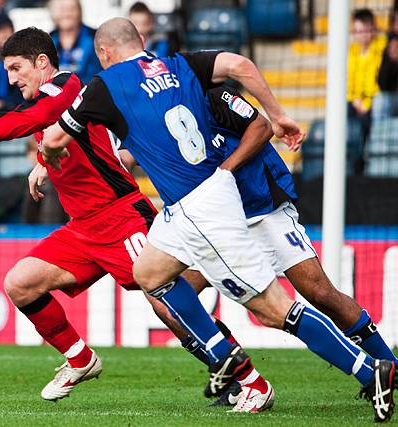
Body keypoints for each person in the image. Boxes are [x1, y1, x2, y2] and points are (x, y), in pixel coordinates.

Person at [42, 18, 396, 421]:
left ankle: (373, 369)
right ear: (142, 42)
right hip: (189, 207)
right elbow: (238, 66)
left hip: (229, 203)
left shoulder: (115, 86)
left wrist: (47, 159)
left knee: (279, 306)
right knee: (150, 274)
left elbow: (55, 139)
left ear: (103, 54)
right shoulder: (183, 68)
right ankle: (230, 362)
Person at [0, 27, 268, 407]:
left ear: (42, 62)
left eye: (16, 68)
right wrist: (43, 164)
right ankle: (80, 359)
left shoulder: (66, 86)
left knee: (168, 303)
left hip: (122, 215)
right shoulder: (51, 97)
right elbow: (61, 136)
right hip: (82, 228)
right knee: (20, 283)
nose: (11, 79)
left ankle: (246, 379)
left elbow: (32, 118)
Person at [123, 83, 398, 407]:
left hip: (261, 210)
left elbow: (258, 127)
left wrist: (226, 170)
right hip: (214, 222)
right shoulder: (160, 112)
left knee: (319, 293)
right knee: (167, 299)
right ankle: (241, 381)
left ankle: (387, 366)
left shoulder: (214, 97)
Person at [347, 9, 386, 138]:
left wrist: (366, 104)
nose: (361, 35)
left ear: (372, 28)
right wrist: (354, 99)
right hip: (355, 102)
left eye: (364, 30)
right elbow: (348, 81)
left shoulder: (381, 48)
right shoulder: (352, 51)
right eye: (357, 31)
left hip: (374, 101)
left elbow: (380, 81)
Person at [48, 0, 102, 83]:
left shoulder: (97, 37)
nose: (66, 13)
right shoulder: (46, 41)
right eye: (62, 9)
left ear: (80, 11)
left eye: (71, 8)